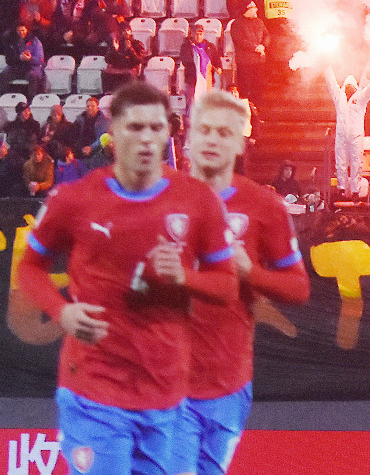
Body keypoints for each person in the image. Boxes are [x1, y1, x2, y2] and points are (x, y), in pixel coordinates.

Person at [17, 82, 238, 475]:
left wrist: (183, 277)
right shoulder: (74, 199)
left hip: (166, 395)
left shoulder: (198, 201)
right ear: (113, 132)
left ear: (168, 133)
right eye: (135, 127)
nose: (147, 138)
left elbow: (227, 286)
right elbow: (30, 267)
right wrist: (62, 312)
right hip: (93, 391)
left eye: (156, 127)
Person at [180, 90, 309, 475]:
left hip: (226, 382)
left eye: (224, 132)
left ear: (239, 143)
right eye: (204, 130)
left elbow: (299, 289)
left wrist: (249, 272)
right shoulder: (154, 199)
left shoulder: (263, 206)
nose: (212, 140)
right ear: (189, 138)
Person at [324, 65, 370, 199]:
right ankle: (341, 188)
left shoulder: (360, 98)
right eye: (347, 86)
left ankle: (355, 190)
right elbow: (331, 84)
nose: (349, 89)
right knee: (340, 162)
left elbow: (369, 90)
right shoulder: (339, 97)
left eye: (351, 87)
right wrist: (327, 68)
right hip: (341, 135)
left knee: (356, 163)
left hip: (356, 136)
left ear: (355, 87)